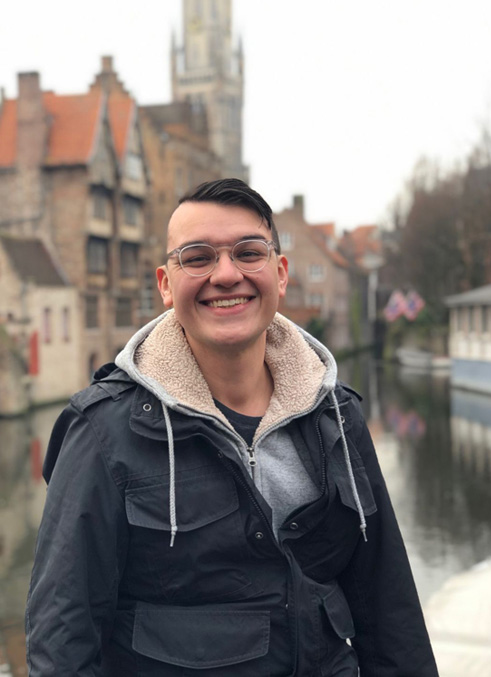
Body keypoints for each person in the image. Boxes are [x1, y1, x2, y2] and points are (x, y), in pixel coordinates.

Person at [25, 178, 438, 675]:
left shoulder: (338, 416)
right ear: (165, 284)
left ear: (280, 274)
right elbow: (62, 641)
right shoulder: (103, 433)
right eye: (197, 257)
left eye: (248, 253)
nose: (226, 274)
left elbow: (389, 610)